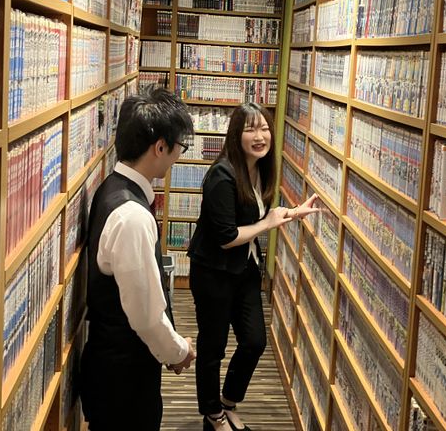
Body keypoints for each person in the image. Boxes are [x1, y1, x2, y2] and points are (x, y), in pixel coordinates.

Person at [188, 103, 318, 431]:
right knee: (213, 346)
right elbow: (227, 237)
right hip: (214, 271)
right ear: (236, 135)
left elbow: (258, 215)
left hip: (244, 268)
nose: (260, 136)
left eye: (264, 128)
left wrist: (290, 213)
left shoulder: (261, 169)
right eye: (250, 129)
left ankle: (228, 402)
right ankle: (212, 415)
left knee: (255, 341)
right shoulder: (222, 175)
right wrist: (268, 224)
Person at [80, 88, 197, 431]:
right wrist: (178, 351)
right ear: (160, 147)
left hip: (113, 372)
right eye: (179, 146)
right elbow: (145, 315)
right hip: (123, 382)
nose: (178, 156)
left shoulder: (111, 187)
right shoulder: (132, 215)